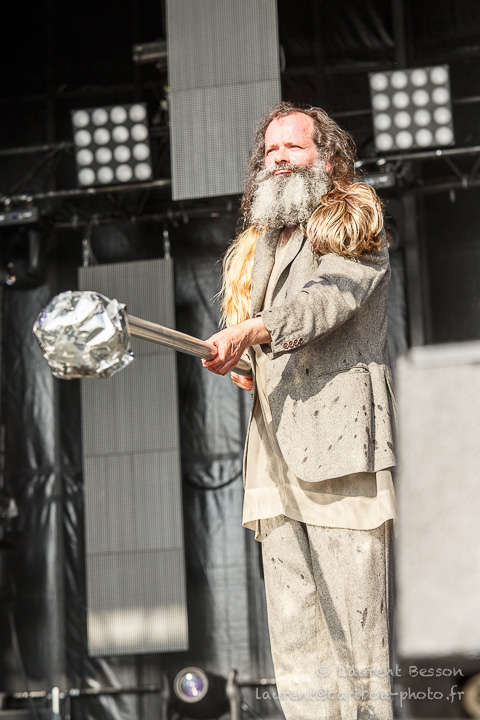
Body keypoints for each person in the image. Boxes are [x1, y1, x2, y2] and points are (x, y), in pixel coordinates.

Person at [202, 102, 397, 720]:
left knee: (356, 637)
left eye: (294, 146)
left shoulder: (353, 222)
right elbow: (268, 336)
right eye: (271, 150)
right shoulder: (261, 244)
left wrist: (253, 330)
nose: (279, 158)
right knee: (296, 638)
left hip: (339, 443)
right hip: (275, 451)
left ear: (328, 158)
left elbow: (321, 303)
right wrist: (246, 362)